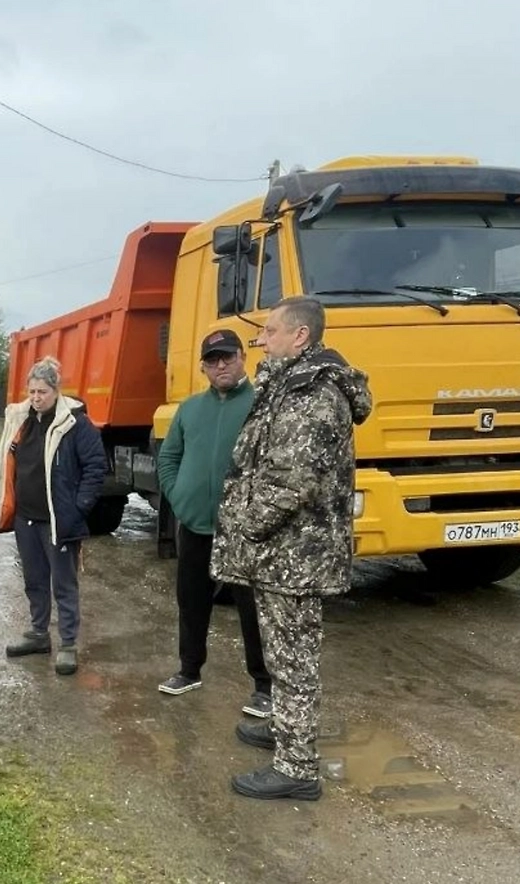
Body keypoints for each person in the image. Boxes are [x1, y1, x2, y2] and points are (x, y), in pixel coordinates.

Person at [211, 298, 372, 801]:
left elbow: (291, 479)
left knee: (294, 658)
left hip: (294, 556)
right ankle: (285, 728)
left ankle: (297, 767)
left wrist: (246, 525)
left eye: (271, 331)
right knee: (281, 655)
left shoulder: (312, 391)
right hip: (283, 554)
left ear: (300, 336)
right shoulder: (288, 382)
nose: (262, 339)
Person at [156, 329, 272, 719]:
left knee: (251, 610)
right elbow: (169, 457)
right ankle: (189, 670)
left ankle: (263, 686)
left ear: (243, 357)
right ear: (203, 366)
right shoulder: (190, 409)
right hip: (194, 525)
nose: (220, 365)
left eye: (227, 357)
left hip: (242, 529)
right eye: (212, 359)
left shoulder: (261, 405)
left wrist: (255, 510)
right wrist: (178, 496)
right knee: (191, 601)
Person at [0, 356, 108, 676]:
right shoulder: (22, 420)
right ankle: (38, 634)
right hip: (25, 518)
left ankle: (68, 644)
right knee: (34, 580)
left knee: (64, 584)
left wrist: (78, 507)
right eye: (32, 391)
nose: (36, 397)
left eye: (42, 391)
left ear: (56, 390)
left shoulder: (75, 424)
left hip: (58, 521)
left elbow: (96, 467)